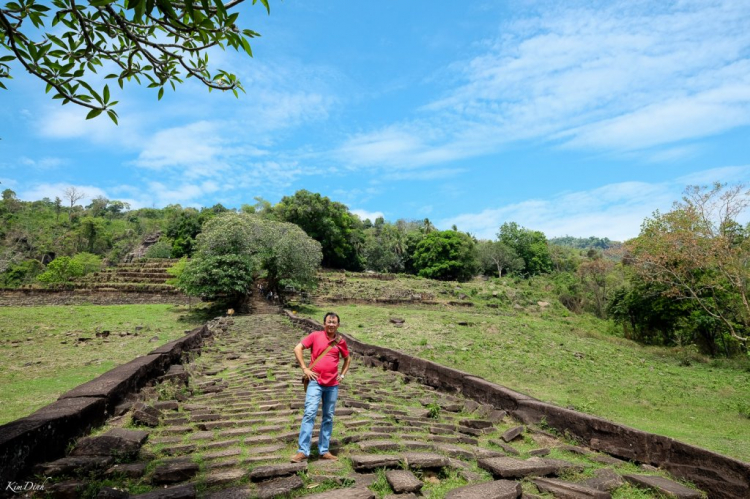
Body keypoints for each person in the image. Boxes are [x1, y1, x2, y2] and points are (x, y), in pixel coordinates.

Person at [291, 312, 351, 462]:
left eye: (334, 322)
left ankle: (324, 450)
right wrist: (305, 369)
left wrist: (342, 375)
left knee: (328, 417)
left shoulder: (340, 341)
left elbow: (347, 359)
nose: (331, 324)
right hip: (315, 382)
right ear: (324, 323)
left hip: (332, 385)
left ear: (338, 325)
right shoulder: (315, 336)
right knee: (310, 413)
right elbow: (297, 348)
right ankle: (303, 451)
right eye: (328, 322)